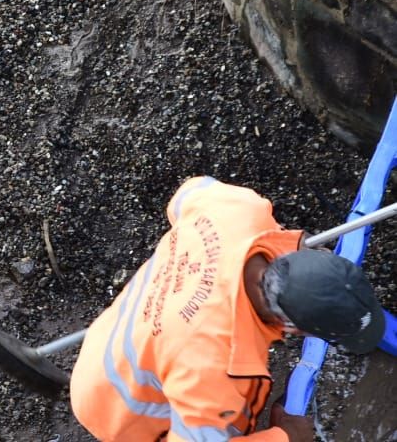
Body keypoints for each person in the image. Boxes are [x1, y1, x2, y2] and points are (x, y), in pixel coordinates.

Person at [70, 176, 391, 441]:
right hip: (115, 408)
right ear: (294, 327)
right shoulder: (218, 371)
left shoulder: (239, 210)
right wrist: (285, 436)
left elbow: (185, 196)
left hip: (114, 337)